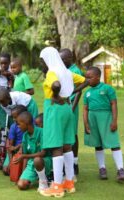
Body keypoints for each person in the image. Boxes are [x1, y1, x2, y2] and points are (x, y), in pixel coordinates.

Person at [39, 47, 86, 197]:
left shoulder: (52, 72)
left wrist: (55, 96)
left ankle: (57, 185)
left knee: (56, 147)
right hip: (67, 108)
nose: (42, 64)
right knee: (67, 146)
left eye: (42, 60)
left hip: (54, 109)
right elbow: (86, 81)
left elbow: (56, 85)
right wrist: (69, 94)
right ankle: (69, 182)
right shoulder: (67, 72)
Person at [83, 67, 124, 182]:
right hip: (93, 119)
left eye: (90, 77)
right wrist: (86, 123)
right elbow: (85, 109)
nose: (87, 80)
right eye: (86, 77)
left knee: (113, 143)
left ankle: (121, 169)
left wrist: (114, 121)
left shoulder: (107, 89)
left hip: (106, 118)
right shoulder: (87, 93)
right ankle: (102, 168)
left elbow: (113, 104)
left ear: (98, 77)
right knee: (98, 144)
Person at [14, 111, 52, 193]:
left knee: (37, 160)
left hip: (45, 161)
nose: (18, 126)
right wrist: (22, 174)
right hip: (31, 163)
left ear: (26, 123)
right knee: (21, 185)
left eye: (19, 124)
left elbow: (43, 153)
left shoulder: (41, 132)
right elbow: (25, 156)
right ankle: (37, 177)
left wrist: (24, 156)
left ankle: (43, 182)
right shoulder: (25, 135)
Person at [60, 48, 83, 175]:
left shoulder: (75, 70)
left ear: (69, 59)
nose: (61, 61)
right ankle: (65, 162)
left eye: (63, 59)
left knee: (72, 135)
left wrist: (72, 108)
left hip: (72, 107)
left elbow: (79, 91)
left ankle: (75, 163)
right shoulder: (64, 70)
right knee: (65, 135)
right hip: (64, 106)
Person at [2, 105, 27, 175]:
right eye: (12, 117)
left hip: (26, 150)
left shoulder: (30, 124)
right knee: (6, 170)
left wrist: (18, 147)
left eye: (15, 117)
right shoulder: (13, 127)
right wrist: (11, 163)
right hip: (15, 152)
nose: (13, 119)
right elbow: (10, 147)